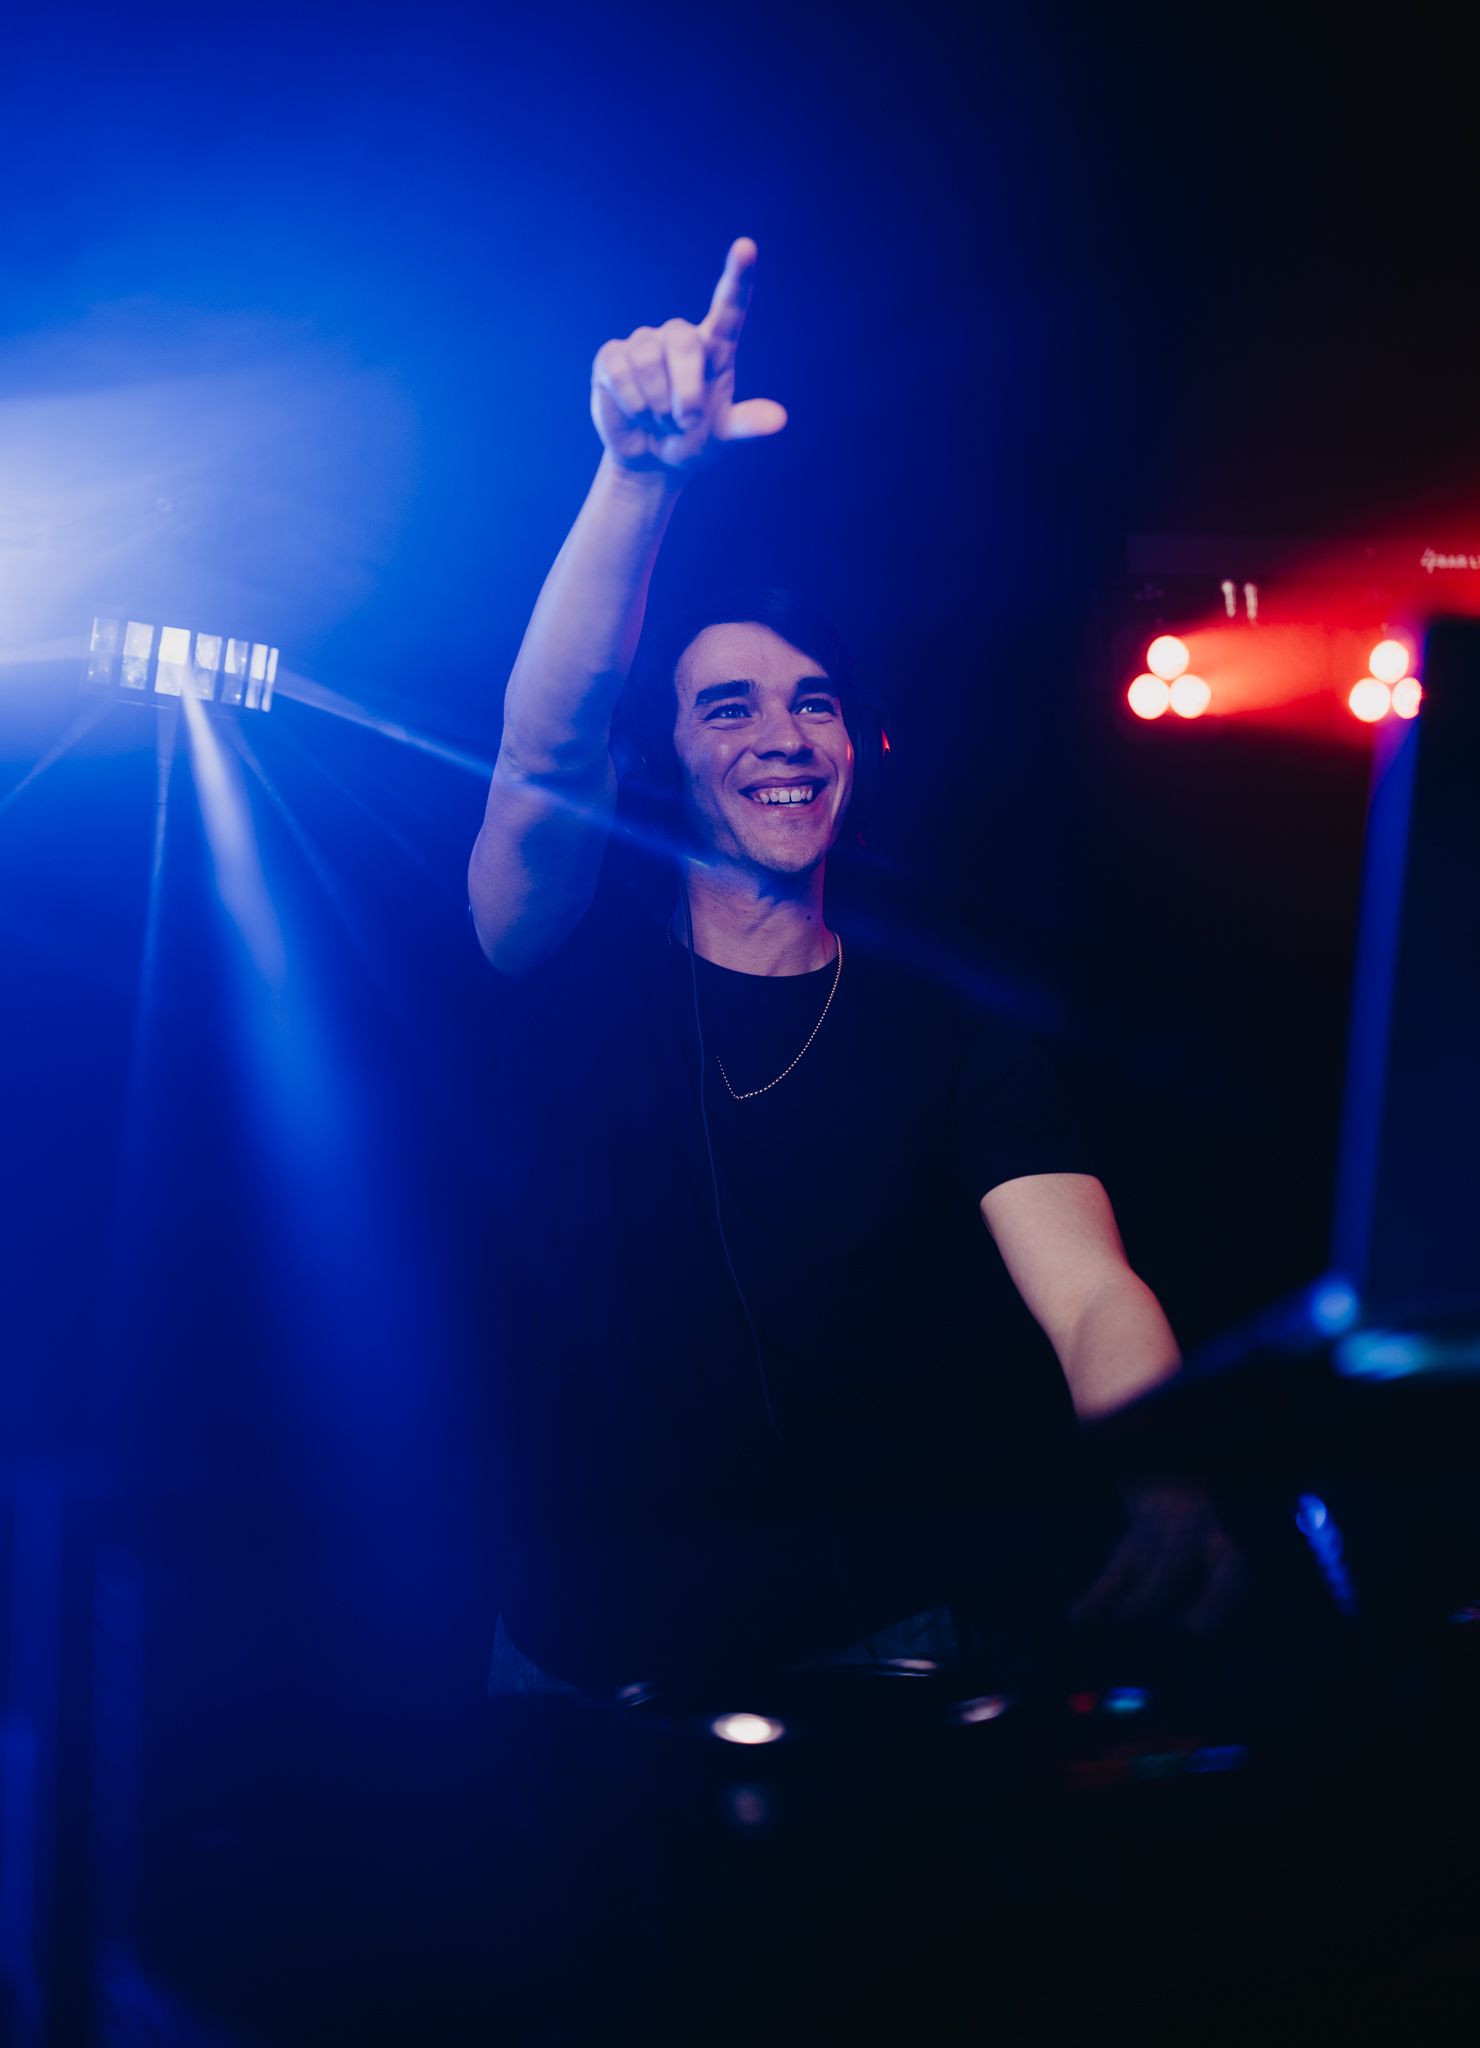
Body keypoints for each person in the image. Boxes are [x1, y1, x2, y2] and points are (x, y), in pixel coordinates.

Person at [468, 238, 1238, 1696]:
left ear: (857, 752)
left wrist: (1167, 1468)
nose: (782, 734)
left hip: (881, 1647)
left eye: (815, 704)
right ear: (667, 758)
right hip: (589, 1658)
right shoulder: (561, 955)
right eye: (729, 706)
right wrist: (638, 483)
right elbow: (537, 750)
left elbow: (1089, 1291)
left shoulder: (947, 1026)